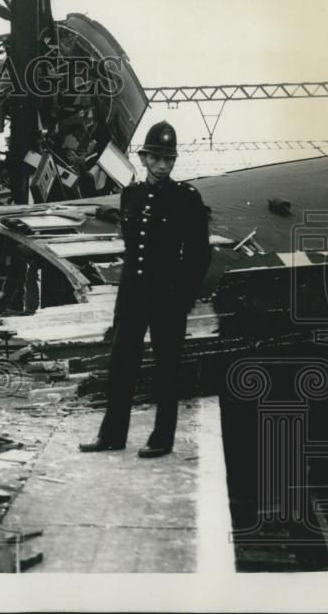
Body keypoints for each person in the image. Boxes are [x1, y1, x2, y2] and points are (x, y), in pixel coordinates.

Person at [79, 121, 211, 458]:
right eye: (156, 158)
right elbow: (132, 245)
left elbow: (199, 254)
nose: (163, 165)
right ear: (143, 157)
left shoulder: (186, 198)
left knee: (167, 368)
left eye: (169, 159)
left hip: (167, 297)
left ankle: (161, 439)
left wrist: (184, 297)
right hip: (133, 295)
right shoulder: (131, 195)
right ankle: (112, 435)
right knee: (121, 364)